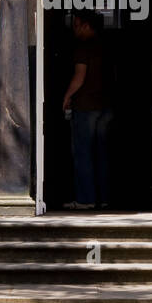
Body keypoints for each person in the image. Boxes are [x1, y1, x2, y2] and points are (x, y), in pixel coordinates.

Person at [61, 11, 112, 210]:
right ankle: (104, 198)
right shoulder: (104, 45)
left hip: (86, 107)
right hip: (106, 106)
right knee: (102, 154)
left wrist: (66, 96)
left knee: (83, 153)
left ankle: (85, 199)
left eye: (76, 25)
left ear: (85, 25)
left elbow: (79, 77)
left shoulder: (83, 47)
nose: (74, 29)